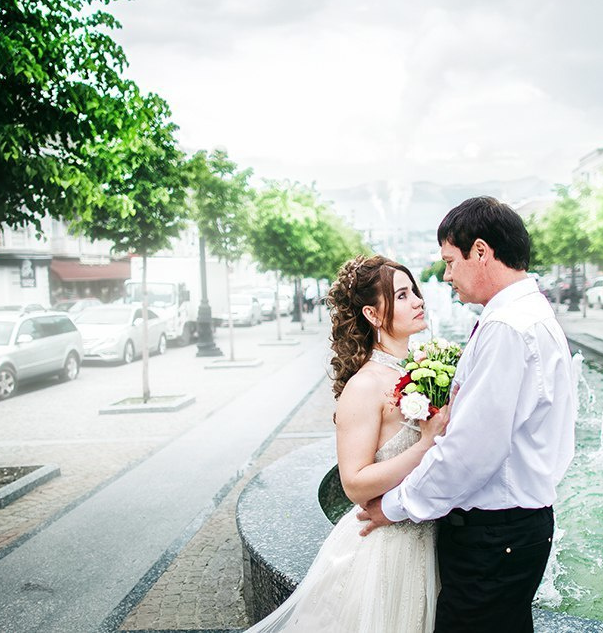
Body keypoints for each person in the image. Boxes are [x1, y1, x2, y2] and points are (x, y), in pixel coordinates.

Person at [358, 196, 578, 633]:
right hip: (515, 530)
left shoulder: (507, 328)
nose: (446, 276)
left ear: (480, 251)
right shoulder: (525, 314)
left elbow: (471, 452)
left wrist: (396, 506)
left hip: (495, 536)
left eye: (450, 261)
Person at [246, 254, 450, 633]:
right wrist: (425, 445)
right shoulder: (365, 385)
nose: (419, 301)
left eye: (415, 293)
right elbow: (354, 483)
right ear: (373, 315)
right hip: (387, 550)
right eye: (403, 295)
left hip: (428, 537)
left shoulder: (420, 369)